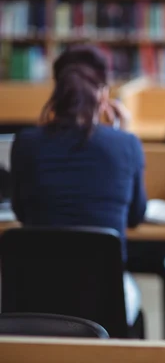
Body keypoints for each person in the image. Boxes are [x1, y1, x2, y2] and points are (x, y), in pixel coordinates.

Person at [10, 44, 146, 326]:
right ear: (104, 96)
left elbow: (22, 214)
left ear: (57, 93)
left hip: (33, 296)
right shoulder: (126, 144)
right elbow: (136, 216)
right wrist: (124, 134)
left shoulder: (25, 143)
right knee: (134, 303)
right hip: (105, 299)